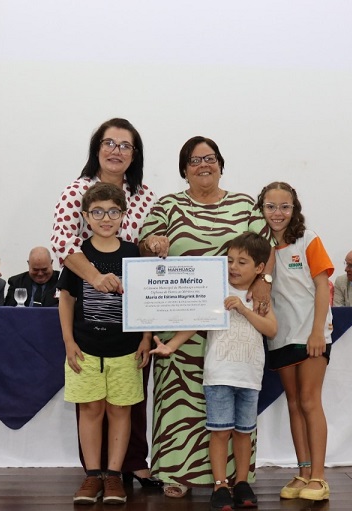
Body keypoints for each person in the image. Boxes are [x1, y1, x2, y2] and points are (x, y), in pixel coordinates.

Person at [138, 136, 272, 498]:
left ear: (221, 164)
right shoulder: (167, 205)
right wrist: (154, 245)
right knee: (179, 400)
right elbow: (145, 244)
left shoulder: (244, 205)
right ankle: (175, 473)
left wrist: (265, 282)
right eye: (195, 160)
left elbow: (266, 249)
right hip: (181, 322)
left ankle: (234, 480)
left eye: (210, 158)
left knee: (233, 403)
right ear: (184, 169)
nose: (203, 165)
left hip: (233, 323)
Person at [49, 118, 159, 487]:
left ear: (135, 154)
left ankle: (132, 463)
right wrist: (96, 277)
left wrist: (156, 244)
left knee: (131, 394)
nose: (116, 151)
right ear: (97, 148)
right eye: (109, 143)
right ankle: (95, 473)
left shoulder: (145, 195)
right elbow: (62, 243)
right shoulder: (76, 191)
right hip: (88, 312)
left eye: (126, 145)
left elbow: (149, 247)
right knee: (92, 401)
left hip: (134, 313)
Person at [150, 232, 277, 509]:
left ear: (259, 267)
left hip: (250, 377)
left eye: (242, 262)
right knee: (219, 432)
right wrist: (171, 346)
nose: (233, 267)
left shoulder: (260, 296)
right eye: (230, 260)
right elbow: (196, 322)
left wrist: (244, 309)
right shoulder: (217, 290)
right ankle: (220, 484)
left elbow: (271, 329)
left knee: (244, 432)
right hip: (219, 375)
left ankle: (241, 482)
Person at [57, 182, 151, 504]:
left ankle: (113, 476)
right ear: (85, 216)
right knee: (90, 410)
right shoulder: (78, 257)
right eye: (97, 212)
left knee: (121, 411)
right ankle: (92, 475)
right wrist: (68, 341)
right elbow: (66, 300)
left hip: (125, 350)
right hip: (85, 349)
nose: (106, 218)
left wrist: (146, 338)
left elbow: (145, 300)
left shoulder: (133, 253)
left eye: (113, 211)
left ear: (124, 215)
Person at [256, 182, 333, 502]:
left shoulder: (308, 239)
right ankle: (303, 472)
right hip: (280, 335)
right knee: (293, 403)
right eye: (270, 206)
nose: (277, 213)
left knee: (310, 401)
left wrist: (317, 331)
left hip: (311, 334)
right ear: (261, 209)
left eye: (284, 206)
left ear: (294, 208)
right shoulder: (261, 246)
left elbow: (322, 287)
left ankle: (319, 477)